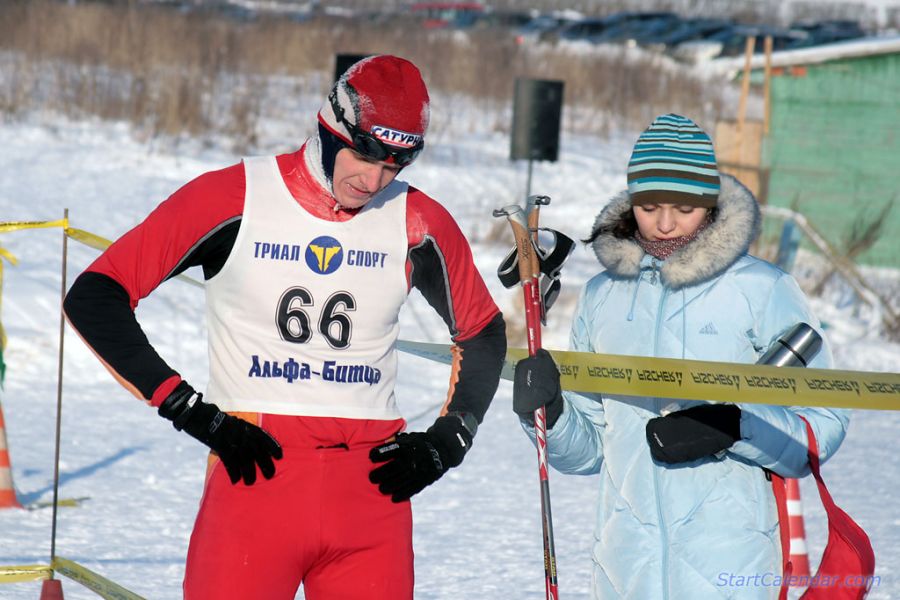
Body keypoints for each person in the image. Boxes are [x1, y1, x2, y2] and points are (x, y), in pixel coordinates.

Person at [64, 55, 506, 600]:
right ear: (329, 128)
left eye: (395, 166)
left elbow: (482, 330)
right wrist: (191, 412)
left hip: (372, 500)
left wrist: (449, 439)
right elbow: (96, 294)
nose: (374, 180)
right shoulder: (233, 196)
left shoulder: (418, 221)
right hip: (255, 478)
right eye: (364, 155)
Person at [512, 114, 848, 599]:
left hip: (729, 570)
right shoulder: (603, 296)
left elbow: (823, 426)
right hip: (625, 571)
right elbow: (591, 452)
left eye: (684, 207)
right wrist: (551, 414)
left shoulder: (762, 289)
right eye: (649, 206)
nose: (665, 224)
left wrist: (734, 426)